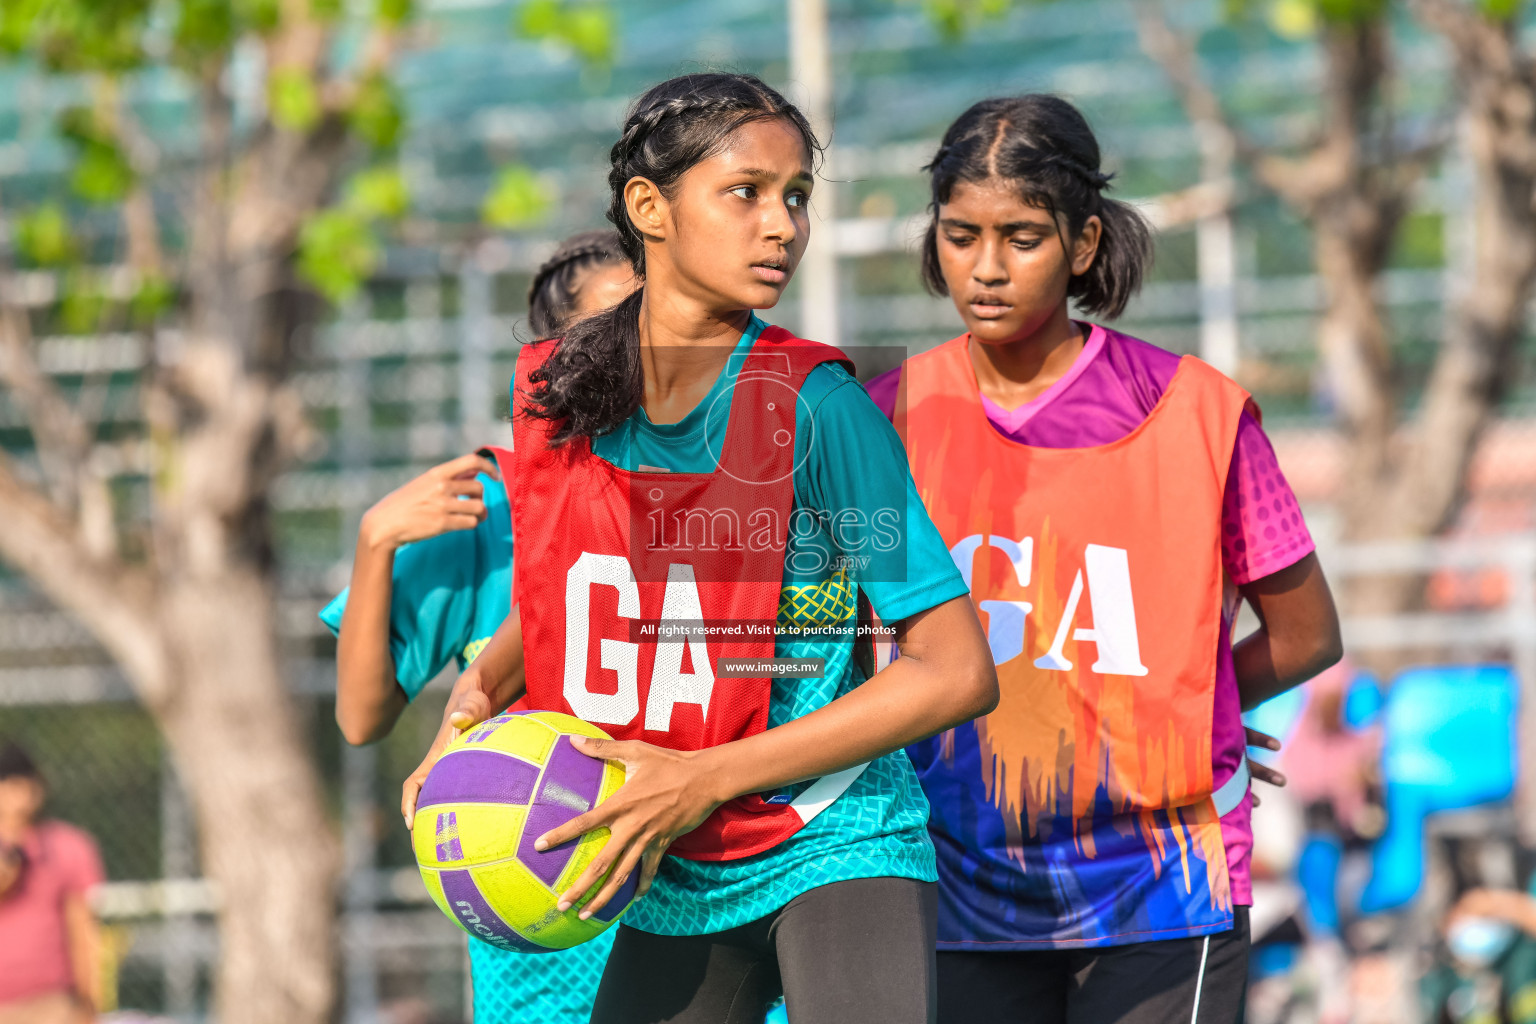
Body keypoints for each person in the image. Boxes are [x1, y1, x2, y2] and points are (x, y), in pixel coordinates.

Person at [402, 72, 998, 1024]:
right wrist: (476, 698)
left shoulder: (817, 408)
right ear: (650, 208)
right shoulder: (566, 396)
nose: (784, 226)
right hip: (674, 847)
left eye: (796, 195)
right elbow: (574, 593)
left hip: (830, 831)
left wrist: (705, 776)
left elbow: (956, 669)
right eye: (746, 191)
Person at [864, 95, 1343, 1023]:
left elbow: (1308, 631)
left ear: (1083, 244)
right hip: (952, 887)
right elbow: (843, 648)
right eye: (960, 235)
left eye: (1023, 237)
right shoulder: (883, 420)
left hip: (1165, 885)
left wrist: (1200, 706)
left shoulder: (1200, 412)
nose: (986, 268)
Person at [321, 230, 635, 1023]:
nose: (637, 340)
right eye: (612, 321)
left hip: (690, 900)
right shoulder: (482, 510)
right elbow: (361, 718)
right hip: (534, 936)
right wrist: (375, 542)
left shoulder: (713, 487)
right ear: (550, 356)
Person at [0, 742, 104, 1024]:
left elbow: (83, 929)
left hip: (50, 1006)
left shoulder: (65, 847)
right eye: (11, 784)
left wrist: (89, 1002)